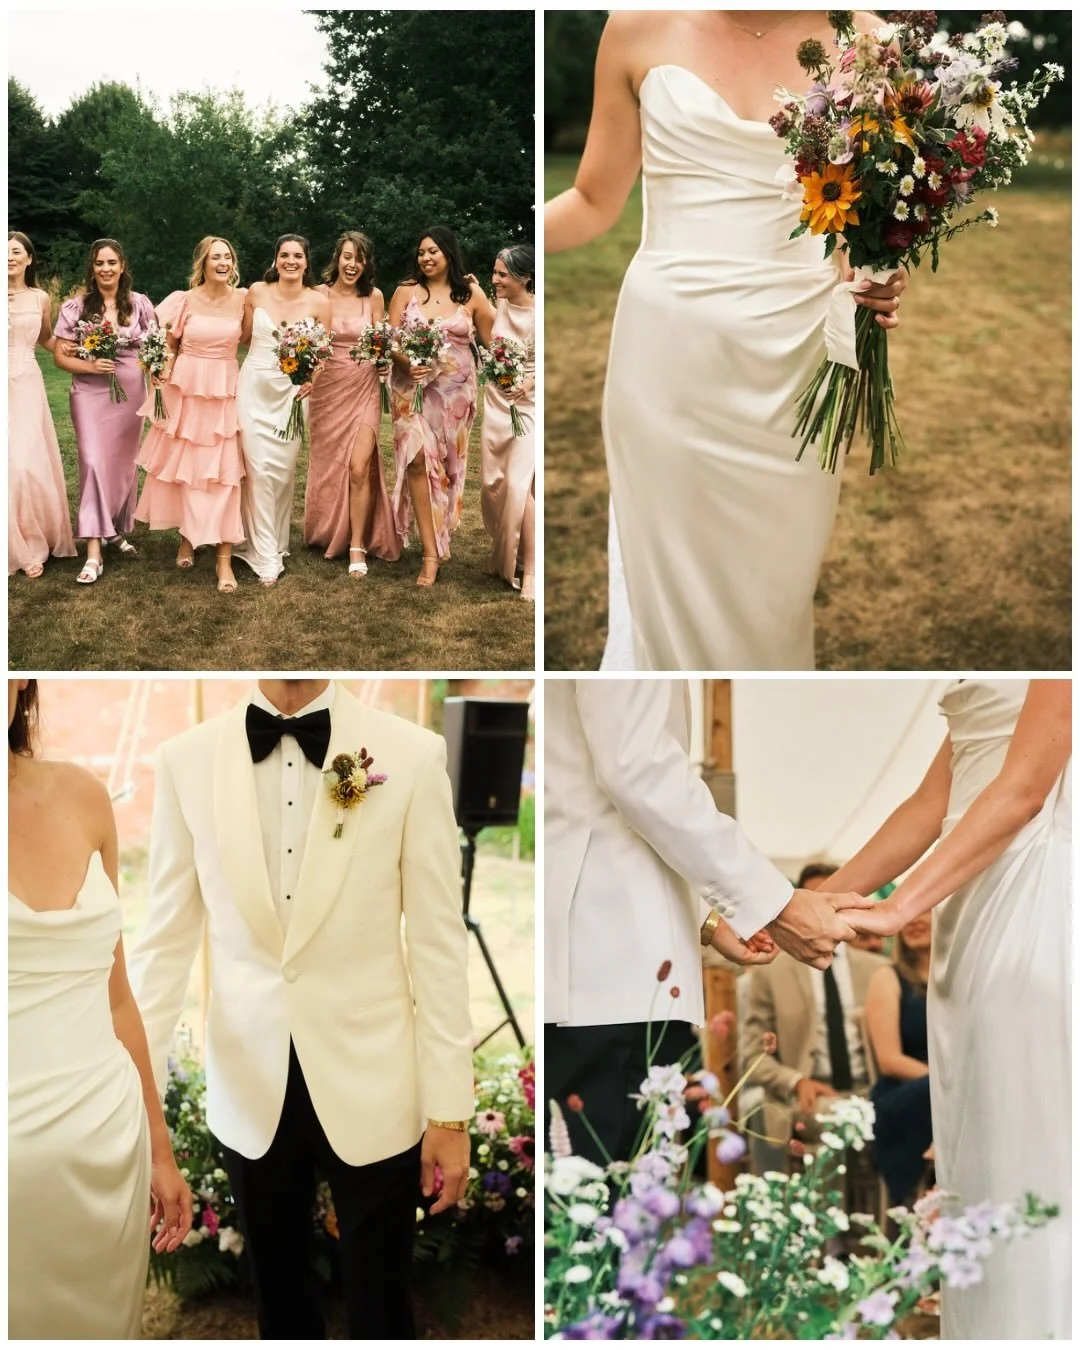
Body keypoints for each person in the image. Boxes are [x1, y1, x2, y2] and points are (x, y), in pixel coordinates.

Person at [544, 11, 907, 670]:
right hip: (667, 361)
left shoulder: (872, 41)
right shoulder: (636, 27)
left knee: (772, 599)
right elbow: (595, 201)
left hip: (798, 363)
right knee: (670, 599)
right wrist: (484, 243)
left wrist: (877, 269)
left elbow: (868, 221)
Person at [128, 679, 474, 1338]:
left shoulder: (411, 754)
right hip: (248, 1084)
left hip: (375, 1081)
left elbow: (439, 946)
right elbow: (162, 948)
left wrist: (450, 1110)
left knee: (383, 1311)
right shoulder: (185, 759)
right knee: (280, 1309)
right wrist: (137, 1112)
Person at [545, 678, 870, 1164]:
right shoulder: (628, 642)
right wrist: (774, 902)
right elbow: (636, 768)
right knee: (595, 1204)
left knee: (635, 1198)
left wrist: (711, 921)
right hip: (609, 968)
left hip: (634, 967)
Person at [831, 679, 1070, 1340]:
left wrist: (899, 904)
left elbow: (1024, 789)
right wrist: (824, 898)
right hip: (964, 906)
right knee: (976, 1154)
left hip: (1026, 893)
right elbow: (931, 801)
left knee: (1026, 1152)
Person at [8, 679, 193, 1338]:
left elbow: (117, 996)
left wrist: (161, 1150)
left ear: (23, 681)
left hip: (108, 1145)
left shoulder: (84, 794)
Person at [135, 236, 247, 593]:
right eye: (216, 257)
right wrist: (156, 368)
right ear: (203, 262)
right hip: (186, 388)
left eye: (227, 257)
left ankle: (223, 560)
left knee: (224, 474)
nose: (223, 262)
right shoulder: (182, 301)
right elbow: (167, 346)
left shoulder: (245, 300)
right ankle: (187, 537)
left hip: (224, 390)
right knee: (188, 470)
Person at [53, 238, 157, 585]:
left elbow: (153, 347)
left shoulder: (139, 305)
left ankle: (111, 528)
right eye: (100, 263)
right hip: (89, 393)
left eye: (112, 262)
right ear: (92, 268)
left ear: (122, 266)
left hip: (130, 393)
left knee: (121, 466)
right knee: (93, 462)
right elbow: (60, 356)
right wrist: (89, 367)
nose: (106, 269)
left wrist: (156, 367)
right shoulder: (76, 308)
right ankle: (94, 551)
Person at [388, 226, 486, 586]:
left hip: (455, 398)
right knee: (417, 460)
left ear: (448, 253)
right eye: (421, 252)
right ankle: (429, 556)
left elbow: (495, 337)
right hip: (410, 391)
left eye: (433, 252)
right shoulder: (406, 291)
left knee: (446, 470)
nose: (426, 258)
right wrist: (403, 361)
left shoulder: (471, 293)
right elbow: (390, 339)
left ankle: (439, 535)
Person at [234, 235, 332, 586]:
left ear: (307, 262)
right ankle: (263, 554)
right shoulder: (256, 292)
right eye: (284, 255)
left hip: (293, 393)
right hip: (254, 387)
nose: (291, 261)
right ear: (275, 259)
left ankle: (274, 541)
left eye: (298, 256)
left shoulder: (320, 302)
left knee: (282, 470)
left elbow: (323, 352)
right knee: (257, 468)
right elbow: (242, 336)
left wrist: (313, 379)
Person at [739, 940, 887, 1170]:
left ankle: (900, 1205)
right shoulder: (772, 970)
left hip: (871, 1090)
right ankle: (831, 1203)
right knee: (842, 1120)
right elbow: (753, 1055)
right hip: (809, 1095)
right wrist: (796, 1081)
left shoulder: (877, 969)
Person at [304, 230, 398, 575]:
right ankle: (327, 530)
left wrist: (384, 357)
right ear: (336, 258)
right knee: (329, 466)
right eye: (347, 257)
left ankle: (357, 543)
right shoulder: (318, 294)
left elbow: (380, 340)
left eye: (359, 259)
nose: (352, 264)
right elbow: (306, 340)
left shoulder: (373, 296)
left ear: (366, 263)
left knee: (360, 467)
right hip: (327, 389)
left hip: (363, 385)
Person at [8, 231, 76, 578]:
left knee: (28, 463)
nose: (10, 258)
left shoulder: (40, 298)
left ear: (29, 259)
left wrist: (80, 350)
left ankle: (35, 539)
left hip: (27, 383)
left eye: (16, 252)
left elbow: (47, 339)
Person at [478, 244, 536, 600]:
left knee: (520, 486)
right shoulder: (495, 305)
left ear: (525, 277)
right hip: (497, 404)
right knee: (493, 484)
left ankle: (531, 570)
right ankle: (503, 556)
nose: (495, 279)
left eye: (502, 274)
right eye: (495, 272)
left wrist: (528, 383)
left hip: (528, 404)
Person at [865, 913, 933, 1207]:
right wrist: (947, 1083)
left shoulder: (962, 977)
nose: (913, 921)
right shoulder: (887, 977)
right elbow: (889, 1060)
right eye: (908, 914)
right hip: (904, 1092)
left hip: (955, 1089)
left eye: (926, 911)